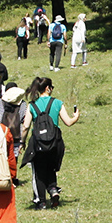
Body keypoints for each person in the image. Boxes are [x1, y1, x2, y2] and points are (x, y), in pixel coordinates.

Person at [22, 75, 80, 208]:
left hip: (39, 144)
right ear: (48, 88)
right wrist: (76, 117)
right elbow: (68, 122)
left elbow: (25, 126)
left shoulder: (32, 105)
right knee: (51, 167)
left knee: (39, 171)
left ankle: (41, 201)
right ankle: (53, 190)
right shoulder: (57, 103)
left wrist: (23, 142)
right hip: (55, 142)